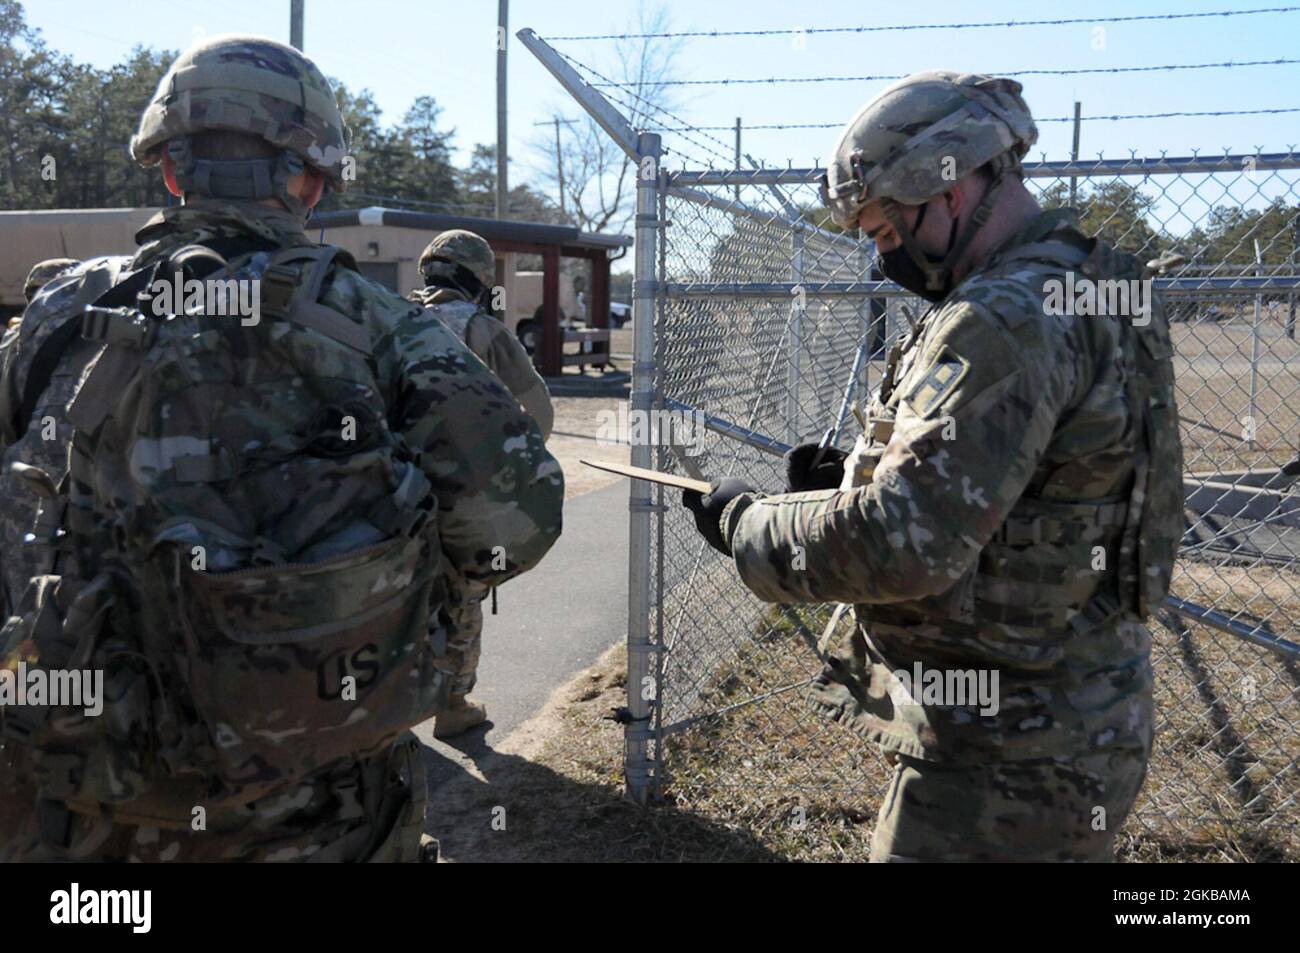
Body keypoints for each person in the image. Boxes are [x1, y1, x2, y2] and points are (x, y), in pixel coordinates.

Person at [0, 34, 564, 862]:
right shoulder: (381, 329)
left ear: (168, 168)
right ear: (310, 179)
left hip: (67, 819)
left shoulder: (53, 323)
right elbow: (519, 517)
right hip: (310, 818)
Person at [682, 70, 1184, 862]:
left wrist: (750, 525)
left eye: (886, 233)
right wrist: (856, 476)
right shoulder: (1092, 285)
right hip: (1076, 718)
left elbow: (906, 545)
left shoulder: (1000, 317)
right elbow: (1043, 485)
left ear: (944, 189)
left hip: (1004, 761)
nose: (888, 262)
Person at [410, 230, 555, 738]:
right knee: (460, 592)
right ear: (479, 280)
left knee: (388, 593)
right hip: (459, 488)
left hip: (385, 486)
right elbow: (536, 406)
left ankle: (384, 713)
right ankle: (452, 705)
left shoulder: (388, 319)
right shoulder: (482, 330)